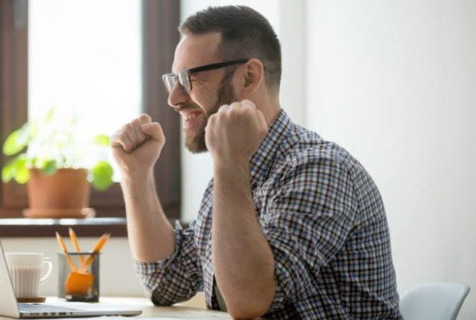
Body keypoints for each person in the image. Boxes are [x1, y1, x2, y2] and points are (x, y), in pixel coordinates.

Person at [111, 5, 402, 319]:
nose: (174, 98)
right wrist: (135, 174)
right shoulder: (233, 176)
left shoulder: (320, 169)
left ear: (249, 76)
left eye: (188, 78)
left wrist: (230, 163)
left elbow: (249, 301)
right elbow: (166, 282)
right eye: (173, 80)